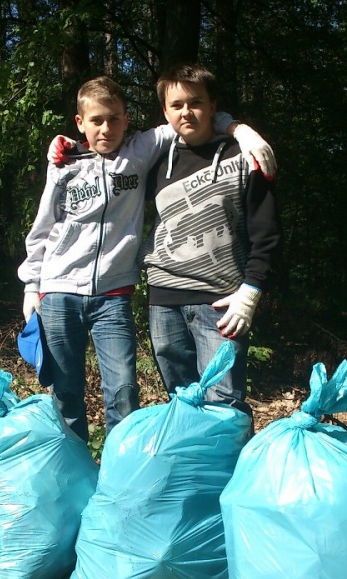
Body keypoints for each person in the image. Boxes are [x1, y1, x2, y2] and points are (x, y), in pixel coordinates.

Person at [18, 75, 275, 442]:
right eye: (96, 120)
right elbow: (43, 227)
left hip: (114, 297)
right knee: (65, 391)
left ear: (127, 120)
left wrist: (241, 131)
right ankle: (73, 475)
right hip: (58, 292)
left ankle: (120, 478)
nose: (106, 128)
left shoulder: (139, 152)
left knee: (123, 393)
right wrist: (31, 286)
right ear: (80, 123)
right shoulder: (64, 164)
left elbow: (187, 117)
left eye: (114, 119)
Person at [142, 64, 281, 420]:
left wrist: (250, 293)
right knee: (182, 405)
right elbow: (106, 146)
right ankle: (195, 475)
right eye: (176, 105)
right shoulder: (154, 158)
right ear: (165, 111)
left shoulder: (244, 156)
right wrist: (64, 146)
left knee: (225, 407)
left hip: (220, 305)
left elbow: (266, 234)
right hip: (164, 301)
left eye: (196, 103)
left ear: (212, 106)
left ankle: (230, 476)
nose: (186, 112)